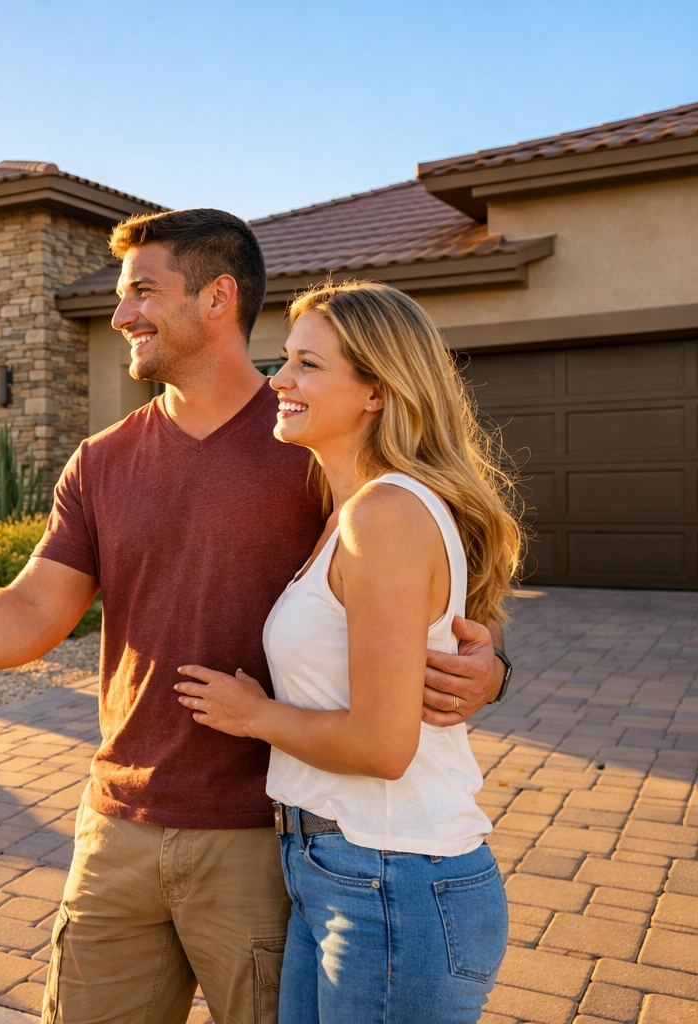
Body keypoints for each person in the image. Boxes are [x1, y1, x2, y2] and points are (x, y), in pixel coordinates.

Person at [0, 208, 509, 1024]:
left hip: (265, 838)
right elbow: (32, 608)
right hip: (118, 826)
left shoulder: (316, 444)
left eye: (143, 293)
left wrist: (492, 667)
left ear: (217, 297)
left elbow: (447, 600)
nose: (122, 316)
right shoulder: (105, 459)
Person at [175, 280, 518, 1023]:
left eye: (308, 365)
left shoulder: (386, 514)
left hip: (392, 875)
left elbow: (382, 744)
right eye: (284, 359)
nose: (280, 380)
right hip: (339, 870)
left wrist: (252, 714)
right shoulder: (351, 513)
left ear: (376, 391)